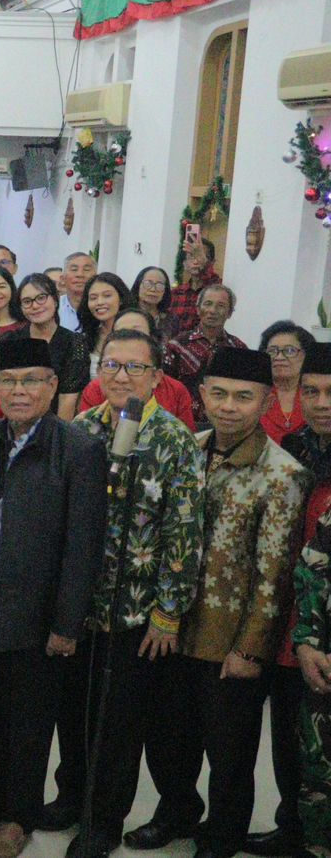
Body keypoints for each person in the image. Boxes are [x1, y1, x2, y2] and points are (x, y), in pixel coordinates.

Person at [123, 348, 308, 858]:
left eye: (244, 397)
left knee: (229, 755)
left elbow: (275, 577)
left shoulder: (283, 474)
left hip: (230, 640)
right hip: (171, 627)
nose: (230, 407)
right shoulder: (189, 448)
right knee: (166, 739)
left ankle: (222, 837)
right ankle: (177, 810)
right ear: (201, 394)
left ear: (265, 400)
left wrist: (250, 651)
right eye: (219, 394)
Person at [45, 329, 204, 858]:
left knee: (118, 725)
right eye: (110, 365)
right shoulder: (82, 430)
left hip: (135, 612)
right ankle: (71, 797)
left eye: (134, 368)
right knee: (74, 712)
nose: (120, 377)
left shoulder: (176, 440)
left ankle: (102, 822)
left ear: (157, 377)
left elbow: (184, 531)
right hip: (79, 607)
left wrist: (168, 612)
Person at [0, 337, 107, 858]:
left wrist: (67, 624)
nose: (19, 391)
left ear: (53, 386)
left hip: (38, 611)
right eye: (8, 381)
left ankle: (19, 816)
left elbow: (83, 544)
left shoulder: (78, 449)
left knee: (30, 720)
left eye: (31, 381)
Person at [288, 343, 331, 858]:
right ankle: (300, 834)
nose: (322, 402)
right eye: (312, 391)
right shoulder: (296, 449)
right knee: (308, 756)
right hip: (305, 626)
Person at [3, 274, 89, 418]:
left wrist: (57, 438)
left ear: (55, 300)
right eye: (27, 301)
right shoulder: (12, 341)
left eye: (41, 298)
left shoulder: (74, 343)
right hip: (16, 420)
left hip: (57, 423)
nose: (35, 306)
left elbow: (68, 400)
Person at [164, 283, 245, 426]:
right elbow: (166, 388)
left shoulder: (238, 349)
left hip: (224, 423)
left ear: (230, 312)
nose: (212, 310)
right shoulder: (176, 345)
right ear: (198, 309)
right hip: (181, 422)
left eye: (220, 306)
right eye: (208, 304)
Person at [261, 321, 314, 443]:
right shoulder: (256, 394)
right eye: (272, 351)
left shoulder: (317, 394)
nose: (279, 357)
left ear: (307, 355)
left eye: (290, 351)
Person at [168, 235, 221, 338]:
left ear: (212, 262)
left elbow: (213, 283)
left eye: (202, 256)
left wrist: (203, 262)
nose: (196, 261)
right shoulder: (175, 293)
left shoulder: (217, 290)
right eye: (192, 256)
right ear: (184, 263)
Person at [79, 272, 130, 373]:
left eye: (107, 296)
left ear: (121, 299)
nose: (99, 302)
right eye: (93, 298)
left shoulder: (136, 333)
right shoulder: (84, 339)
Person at [54, 252, 96, 334]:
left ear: (96, 276)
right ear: (62, 278)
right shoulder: (54, 307)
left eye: (86, 270)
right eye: (74, 270)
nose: (80, 274)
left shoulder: (102, 306)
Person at [129, 266, 174, 340]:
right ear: (138, 285)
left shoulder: (171, 319)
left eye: (159, 285)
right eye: (148, 284)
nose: (153, 289)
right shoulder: (126, 314)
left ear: (165, 291)